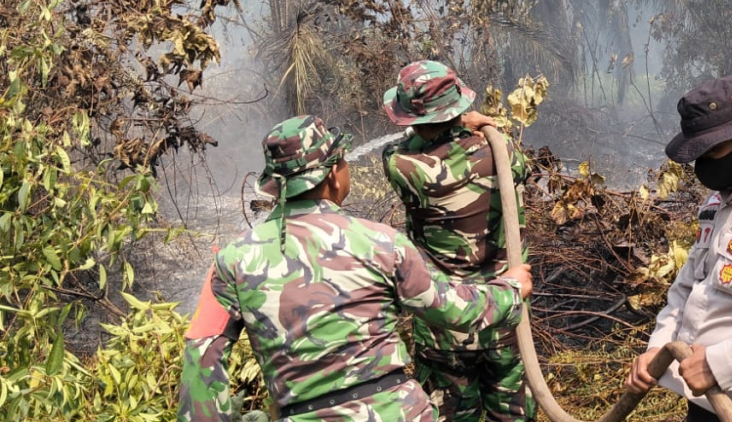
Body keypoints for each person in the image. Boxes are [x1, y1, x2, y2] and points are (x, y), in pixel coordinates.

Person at [177, 115, 534, 422]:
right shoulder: (381, 242)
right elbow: (455, 310)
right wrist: (511, 289)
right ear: (334, 174)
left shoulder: (230, 261)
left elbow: (200, 361)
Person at [625, 76, 732, 422]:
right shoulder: (720, 199)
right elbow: (688, 287)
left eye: (713, 150)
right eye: (699, 153)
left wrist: (720, 363)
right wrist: (658, 348)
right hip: (706, 402)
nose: (704, 163)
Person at [381, 60, 536, 422]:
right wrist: (474, 126)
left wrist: (451, 125)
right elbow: (523, 169)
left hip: (445, 325)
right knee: (512, 413)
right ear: (458, 107)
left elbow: (405, 144)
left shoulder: (403, 165)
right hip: (505, 311)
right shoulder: (502, 154)